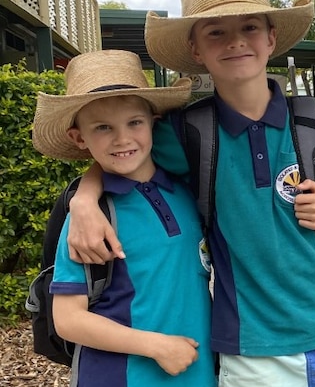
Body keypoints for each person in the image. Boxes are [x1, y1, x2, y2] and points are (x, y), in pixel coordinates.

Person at [67, 0, 315, 386]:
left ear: (271, 38)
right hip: (249, 347)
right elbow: (121, 152)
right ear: (196, 50)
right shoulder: (188, 133)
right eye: (216, 31)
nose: (235, 41)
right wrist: (84, 200)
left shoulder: (313, 122)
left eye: (250, 27)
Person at [31, 50, 215, 386]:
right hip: (119, 377)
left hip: (197, 374)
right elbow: (68, 320)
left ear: (153, 124)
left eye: (134, 122)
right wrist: (156, 345)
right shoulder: (91, 216)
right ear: (78, 137)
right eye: (103, 127)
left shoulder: (186, 190)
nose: (122, 138)